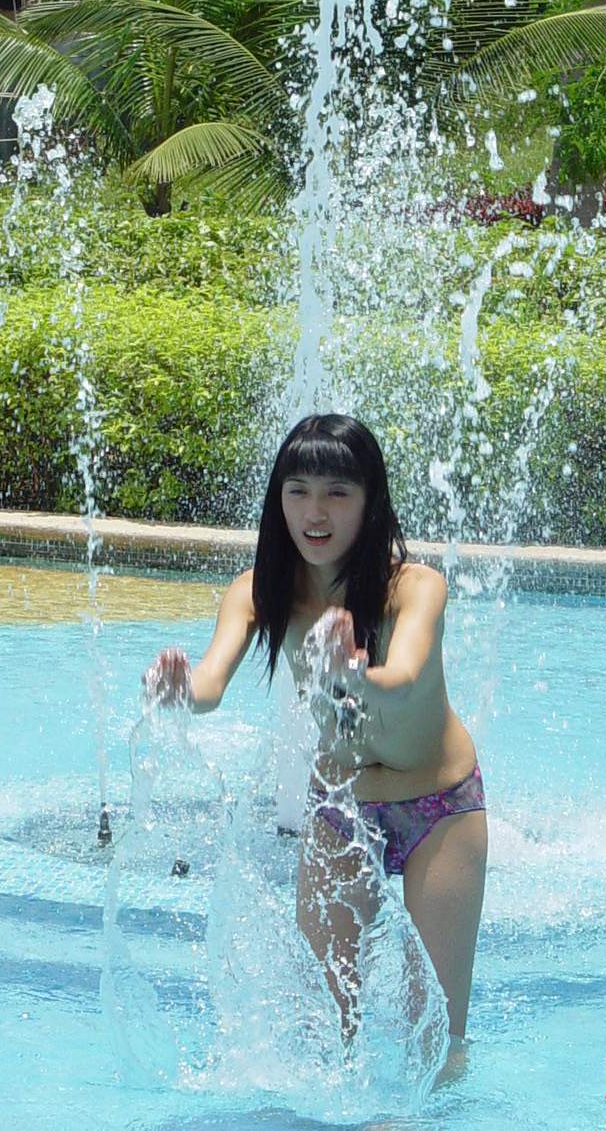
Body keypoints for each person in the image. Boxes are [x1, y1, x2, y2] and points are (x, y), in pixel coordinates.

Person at [142, 413, 487, 1075]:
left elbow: (404, 678)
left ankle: (424, 1118)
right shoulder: (259, 592)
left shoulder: (414, 588)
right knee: (328, 1025)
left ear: (370, 501)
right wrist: (178, 689)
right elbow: (211, 682)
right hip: (341, 809)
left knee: (439, 1029)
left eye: (337, 492)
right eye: (297, 491)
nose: (314, 512)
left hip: (439, 807)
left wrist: (355, 674)